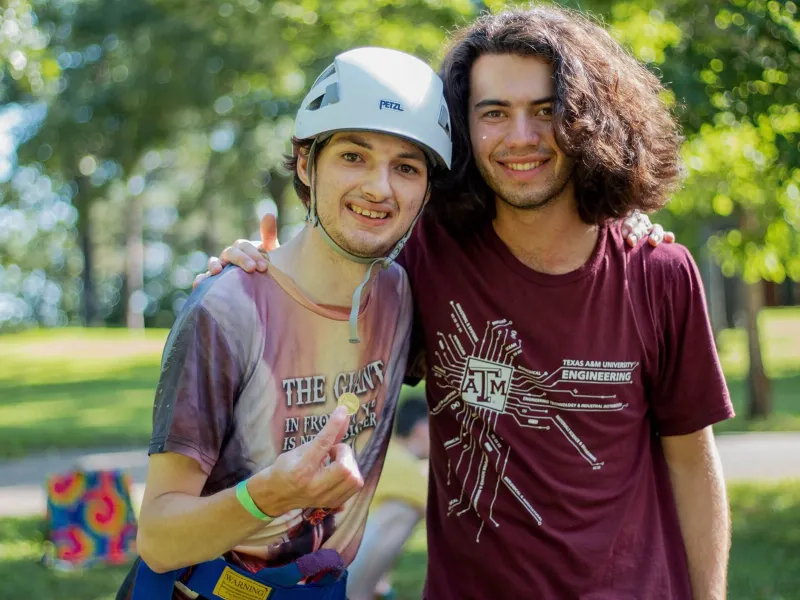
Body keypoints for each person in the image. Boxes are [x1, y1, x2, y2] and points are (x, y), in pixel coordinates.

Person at [201, 5, 734, 599]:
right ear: (460, 128)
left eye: (546, 111)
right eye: (494, 114)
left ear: (589, 118)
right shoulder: (425, 256)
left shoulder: (658, 272)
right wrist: (253, 270)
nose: (521, 137)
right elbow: (318, 309)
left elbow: (692, 464)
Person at [116, 46, 453, 600]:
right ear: (305, 163)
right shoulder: (227, 310)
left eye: (407, 167)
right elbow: (158, 538)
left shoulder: (403, 299)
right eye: (353, 156)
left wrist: (620, 227)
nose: (379, 187)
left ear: (425, 192)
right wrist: (269, 494)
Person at [347, 395, 430, 600]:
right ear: (420, 428)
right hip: (345, 568)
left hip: (325, 556)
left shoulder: (383, 451)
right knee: (402, 512)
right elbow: (449, 521)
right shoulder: (405, 467)